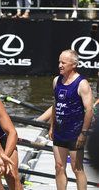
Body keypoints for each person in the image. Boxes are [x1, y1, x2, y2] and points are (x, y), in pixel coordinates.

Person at [50, 49, 95, 190]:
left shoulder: (82, 83)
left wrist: (84, 133)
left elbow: (89, 110)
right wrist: (52, 126)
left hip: (75, 133)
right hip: (59, 132)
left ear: (73, 64)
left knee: (77, 169)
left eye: (63, 62)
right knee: (59, 167)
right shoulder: (57, 81)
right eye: (59, 62)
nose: (60, 65)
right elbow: (55, 104)